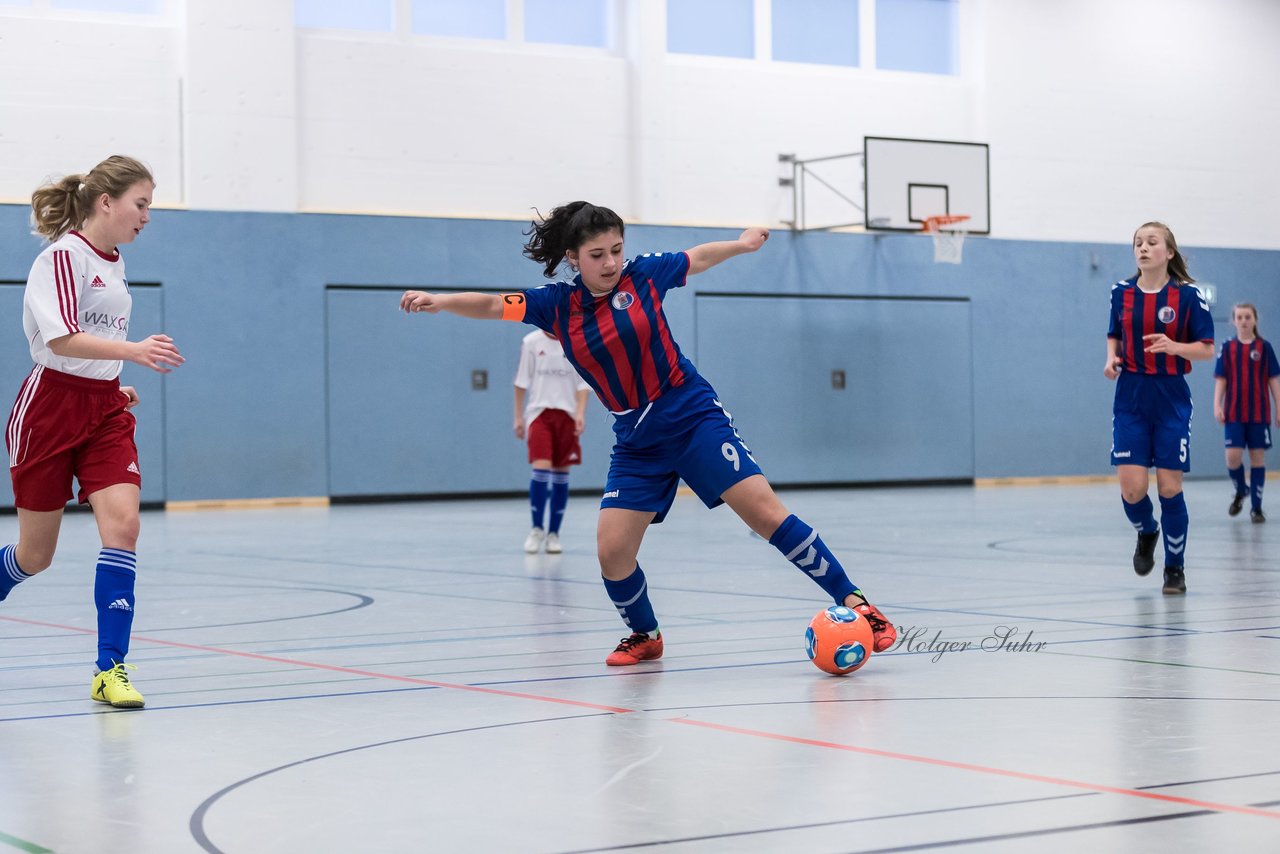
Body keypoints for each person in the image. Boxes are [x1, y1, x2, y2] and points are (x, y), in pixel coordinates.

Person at [401, 201, 895, 665]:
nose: (611, 262)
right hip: (636, 439)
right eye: (597, 255)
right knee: (612, 551)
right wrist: (439, 301)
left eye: (616, 249)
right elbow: (491, 306)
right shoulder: (554, 306)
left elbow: (696, 257)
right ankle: (646, 635)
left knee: (765, 513)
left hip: (690, 414)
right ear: (573, 258)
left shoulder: (645, 275)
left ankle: (858, 604)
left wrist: (742, 245)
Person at [1, 155, 184, 708]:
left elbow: (95, 344)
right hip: (48, 410)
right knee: (36, 555)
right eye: (142, 203)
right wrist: (130, 352)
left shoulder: (115, 261)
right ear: (107, 202)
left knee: (124, 526)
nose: (147, 216)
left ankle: (111, 669)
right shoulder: (60, 258)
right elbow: (61, 340)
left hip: (103, 410)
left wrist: (112, 381)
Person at [1104, 221, 1215, 595]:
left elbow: (1206, 348)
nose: (1143, 248)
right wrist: (1111, 360)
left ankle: (1175, 569)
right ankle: (1147, 531)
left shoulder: (1187, 296)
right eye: (1138, 242)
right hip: (1131, 396)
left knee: (1169, 487)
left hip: (1170, 398)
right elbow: (1114, 335)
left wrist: (1175, 347)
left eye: (1152, 242)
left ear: (1169, 252)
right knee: (1133, 490)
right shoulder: (1121, 293)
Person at [514, 328, 591, 553]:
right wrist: (518, 417)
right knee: (541, 469)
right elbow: (520, 382)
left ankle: (554, 533)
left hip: (566, 415)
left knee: (561, 475)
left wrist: (580, 413)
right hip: (540, 415)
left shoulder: (575, 340)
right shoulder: (531, 342)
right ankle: (537, 528)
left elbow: (583, 384)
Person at [1213, 303, 1280, 523]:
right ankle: (1242, 489)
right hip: (1234, 413)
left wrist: (1279, 407)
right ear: (1233, 321)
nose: (1243, 321)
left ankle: (1256, 509)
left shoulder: (1264, 347)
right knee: (1232, 457)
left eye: (1247, 317)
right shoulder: (1227, 347)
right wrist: (1217, 405)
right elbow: (1221, 379)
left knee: (1257, 458)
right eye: (1239, 317)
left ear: (1254, 320)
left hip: (1259, 414)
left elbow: (1273, 381)